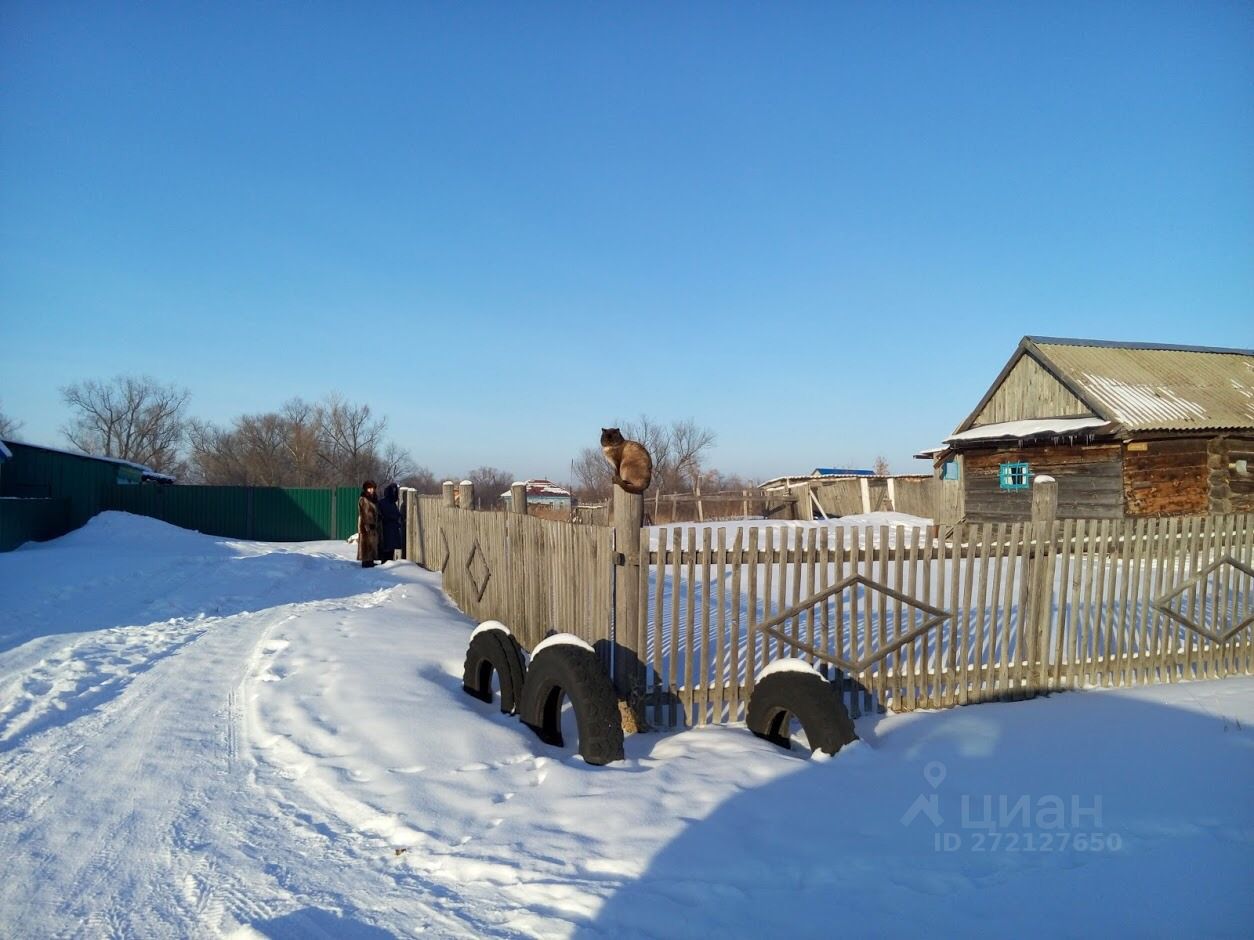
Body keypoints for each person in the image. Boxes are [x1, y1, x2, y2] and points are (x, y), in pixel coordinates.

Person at [377, 482, 404, 562]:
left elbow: (397, 514)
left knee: (389, 550)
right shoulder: (385, 503)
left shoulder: (389, 503)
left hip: (390, 529)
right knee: (387, 550)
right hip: (386, 529)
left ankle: (386, 563)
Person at [357, 480, 379, 568]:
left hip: (373, 524)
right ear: (366, 489)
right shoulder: (363, 499)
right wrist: (367, 524)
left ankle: (370, 560)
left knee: (372, 543)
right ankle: (366, 562)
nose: (371, 490)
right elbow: (363, 513)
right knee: (365, 543)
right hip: (365, 524)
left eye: (373, 488)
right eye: (369, 488)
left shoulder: (374, 498)